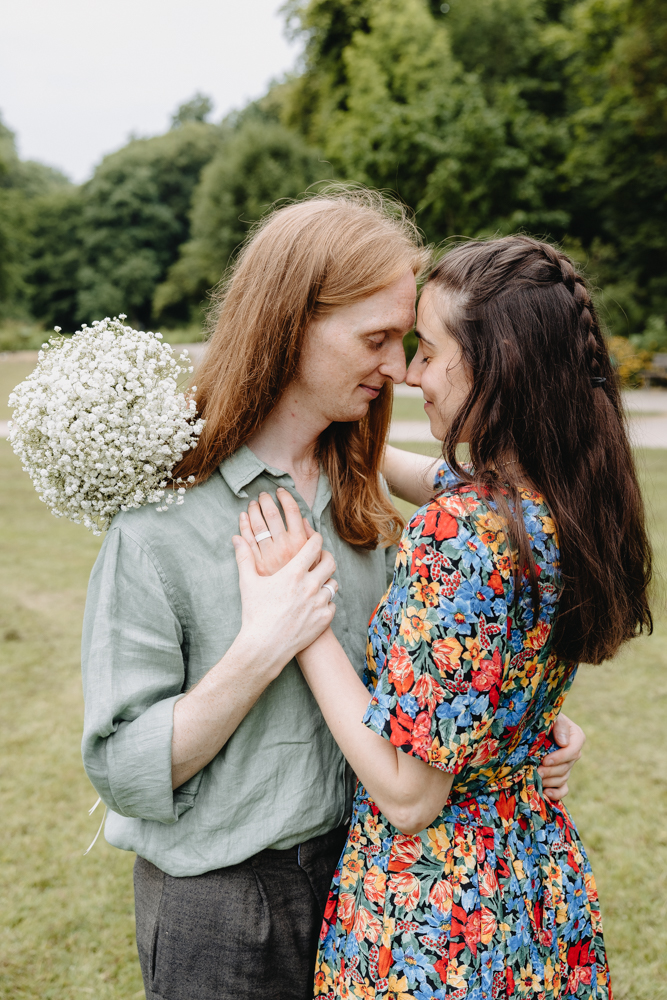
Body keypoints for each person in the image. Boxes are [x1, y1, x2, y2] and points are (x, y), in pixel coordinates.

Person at [81, 195, 585, 1000]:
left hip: (367, 888)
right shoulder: (160, 521)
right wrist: (262, 646)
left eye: (408, 341)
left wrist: (514, 719)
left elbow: (437, 655)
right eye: (376, 340)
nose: (397, 368)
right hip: (223, 908)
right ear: (289, 325)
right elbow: (121, 768)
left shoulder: (371, 494)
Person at [234, 235, 652, 998]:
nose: (409, 372)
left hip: (436, 915)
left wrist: (299, 620)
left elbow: (406, 796)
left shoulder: (460, 535)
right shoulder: (560, 495)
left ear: (498, 365)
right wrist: (322, 427)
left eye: (427, 351)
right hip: (529, 880)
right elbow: (427, 478)